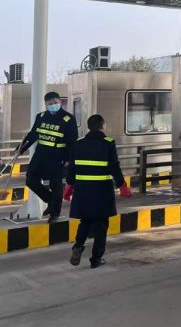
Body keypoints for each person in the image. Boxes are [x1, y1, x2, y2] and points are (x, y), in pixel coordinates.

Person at [64, 114, 132, 268]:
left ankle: (78, 246)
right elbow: (114, 166)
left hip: (82, 189)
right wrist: (122, 186)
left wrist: (69, 187)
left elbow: (72, 168)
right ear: (103, 126)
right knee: (101, 224)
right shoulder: (108, 143)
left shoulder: (78, 143)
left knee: (85, 221)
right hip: (102, 190)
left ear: (89, 127)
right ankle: (96, 259)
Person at [16, 91, 78, 223]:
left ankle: (54, 214)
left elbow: (72, 142)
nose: (53, 105)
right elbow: (33, 135)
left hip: (58, 156)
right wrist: (21, 149)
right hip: (40, 155)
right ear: (46, 104)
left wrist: (68, 159)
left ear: (60, 102)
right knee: (30, 180)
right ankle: (50, 200)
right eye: (50, 103)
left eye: (55, 102)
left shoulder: (68, 119)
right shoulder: (41, 116)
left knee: (56, 185)